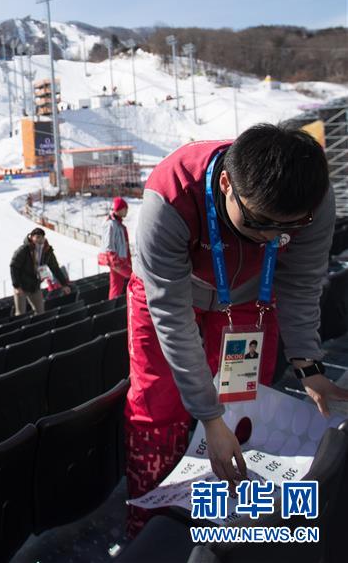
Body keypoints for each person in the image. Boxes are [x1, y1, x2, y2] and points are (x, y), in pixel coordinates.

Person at [125, 123, 348, 537]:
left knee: (245, 403)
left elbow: (300, 284)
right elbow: (171, 316)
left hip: (248, 298)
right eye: (261, 225)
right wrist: (208, 417)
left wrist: (308, 366)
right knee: (158, 405)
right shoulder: (171, 194)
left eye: (287, 231)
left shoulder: (310, 200)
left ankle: (232, 521)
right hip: (175, 294)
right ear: (226, 184)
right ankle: (148, 524)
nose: (273, 240)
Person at [9, 227, 71, 316]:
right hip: (21, 285)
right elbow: (14, 266)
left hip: (35, 285)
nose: (39, 239)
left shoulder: (47, 250)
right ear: (31, 237)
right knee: (20, 314)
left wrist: (64, 284)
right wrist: (16, 285)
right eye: (37, 237)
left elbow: (55, 268)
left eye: (41, 237)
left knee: (40, 312)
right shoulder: (24, 249)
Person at [99, 196, 132, 299]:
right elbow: (108, 245)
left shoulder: (117, 223)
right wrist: (115, 261)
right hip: (116, 261)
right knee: (134, 278)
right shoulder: (110, 224)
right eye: (125, 208)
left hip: (119, 260)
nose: (127, 211)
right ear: (120, 209)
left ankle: (113, 304)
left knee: (116, 285)